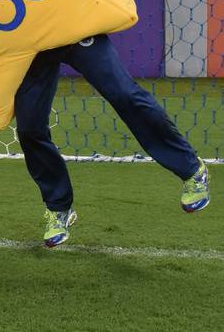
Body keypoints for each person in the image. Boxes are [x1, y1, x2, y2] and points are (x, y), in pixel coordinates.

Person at [14, 33, 210, 247]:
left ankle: (192, 170)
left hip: (75, 26)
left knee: (124, 94)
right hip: (33, 41)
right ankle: (59, 207)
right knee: (29, 128)